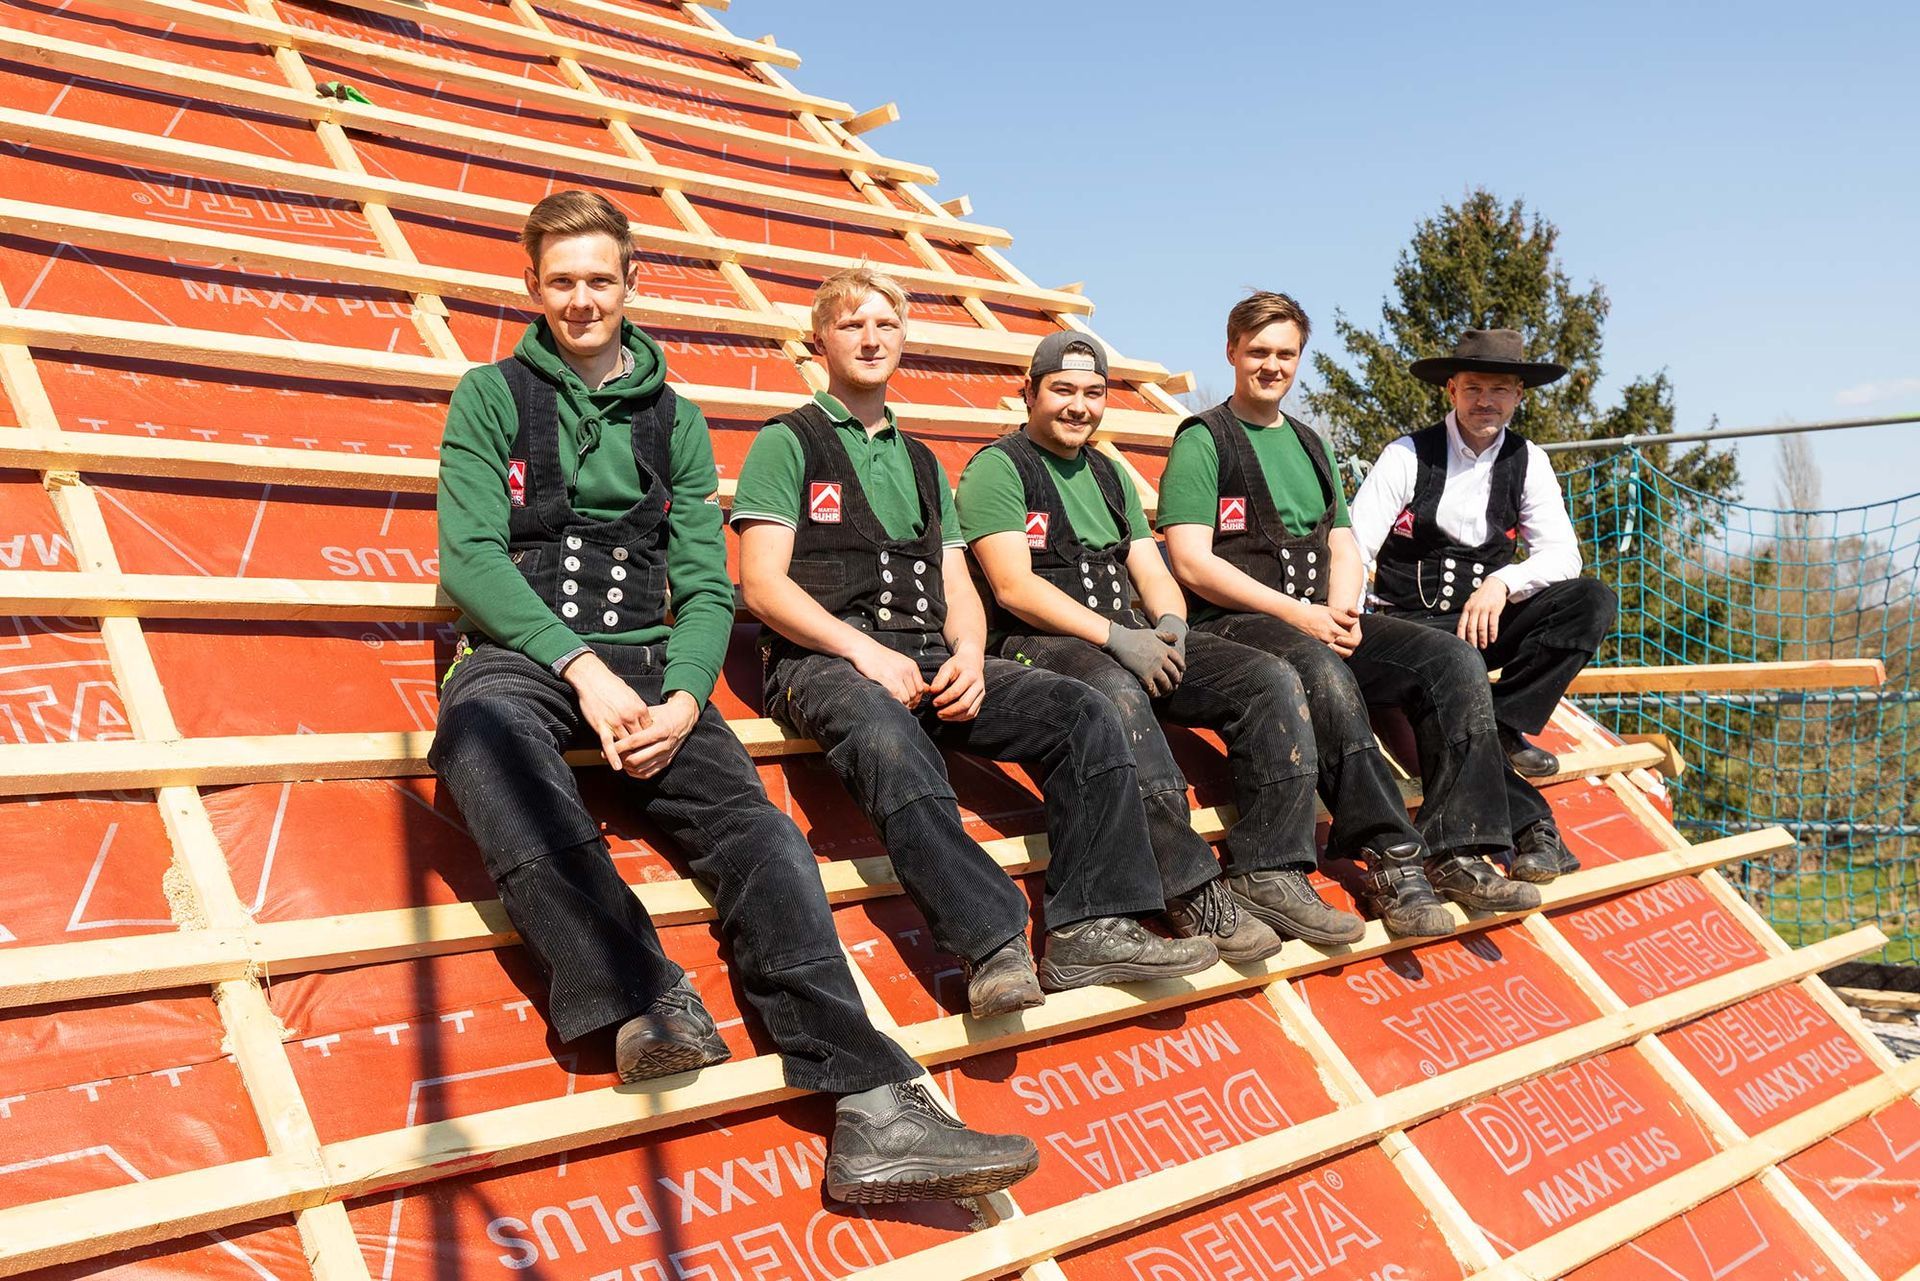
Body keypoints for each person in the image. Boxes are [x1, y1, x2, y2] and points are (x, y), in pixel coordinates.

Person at [430, 191, 1037, 1204]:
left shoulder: (674, 416)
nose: (580, 300)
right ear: (532, 286)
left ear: (631, 283)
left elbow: (708, 583)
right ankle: (642, 996)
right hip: (526, 653)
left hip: (654, 663)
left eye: (598, 279)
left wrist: (680, 695)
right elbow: (472, 557)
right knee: (481, 739)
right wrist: (581, 672)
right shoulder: (489, 396)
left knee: (764, 841)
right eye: (561, 281)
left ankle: (875, 1107)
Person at [733, 267, 1218, 1013]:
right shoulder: (787, 443)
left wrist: (967, 654)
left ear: (904, 340)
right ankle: (990, 943)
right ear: (820, 338)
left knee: (1085, 712)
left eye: (886, 325)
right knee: (891, 740)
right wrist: (862, 652)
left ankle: (1093, 925)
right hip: (824, 659)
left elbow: (957, 584)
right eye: (853, 324)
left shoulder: (923, 460)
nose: (871, 338)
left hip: (930, 651)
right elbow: (763, 584)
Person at [957, 331, 1359, 954]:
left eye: (1093, 393)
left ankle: (1272, 870)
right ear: (1030, 392)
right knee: (1119, 695)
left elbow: (1152, 572)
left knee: (1268, 679)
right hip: (1036, 643)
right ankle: (1190, 888)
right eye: (1062, 390)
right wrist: (1121, 639)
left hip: (1127, 632)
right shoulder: (999, 468)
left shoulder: (1109, 475)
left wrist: (1169, 627)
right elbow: (1014, 588)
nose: (1078, 406)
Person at [1159, 291, 1547, 928]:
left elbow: (1343, 540)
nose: (1271, 365)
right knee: (1323, 674)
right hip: (1237, 624)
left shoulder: (1311, 444)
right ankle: (1391, 860)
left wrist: (1339, 609)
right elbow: (1193, 561)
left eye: (1285, 353)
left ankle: (1462, 846)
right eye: (1257, 351)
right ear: (1231, 352)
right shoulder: (1204, 442)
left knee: (1450, 661)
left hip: (1319, 617)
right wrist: (1300, 616)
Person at [1348, 329, 1618, 837]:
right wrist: (1351, 624)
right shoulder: (1407, 455)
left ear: (1518, 395)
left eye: (1499, 389)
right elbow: (1356, 545)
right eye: (1473, 388)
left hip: (1483, 628)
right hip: (1406, 630)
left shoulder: (1528, 460)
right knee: (1452, 679)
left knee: (1592, 599)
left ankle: (1505, 718)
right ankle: (1530, 827)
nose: (1485, 401)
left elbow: (1563, 554)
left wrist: (1504, 583)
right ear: (1451, 390)